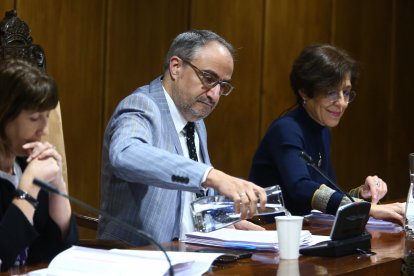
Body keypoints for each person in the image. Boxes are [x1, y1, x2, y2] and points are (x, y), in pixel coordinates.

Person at [98, 30, 267, 246]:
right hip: (138, 257)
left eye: (222, 86)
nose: (214, 95)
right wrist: (210, 175)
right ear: (176, 67)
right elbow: (125, 154)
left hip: (188, 254)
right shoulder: (141, 105)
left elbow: (186, 202)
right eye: (208, 79)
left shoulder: (195, 121)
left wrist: (222, 220)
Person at [249, 44, 404, 223]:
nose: (342, 103)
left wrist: (361, 193)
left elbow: (329, 193)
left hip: (305, 233)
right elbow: (300, 188)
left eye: (346, 93)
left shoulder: (323, 131)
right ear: (305, 92)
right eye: (331, 92)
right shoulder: (286, 129)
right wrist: (365, 208)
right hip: (270, 234)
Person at [0, 59, 78, 271]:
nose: (44, 130)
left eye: (46, 117)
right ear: (4, 116)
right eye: (34, 118)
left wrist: (58, 186)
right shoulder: (30, 175)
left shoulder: (27, 164)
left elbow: (63, 249)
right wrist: (28, 188)